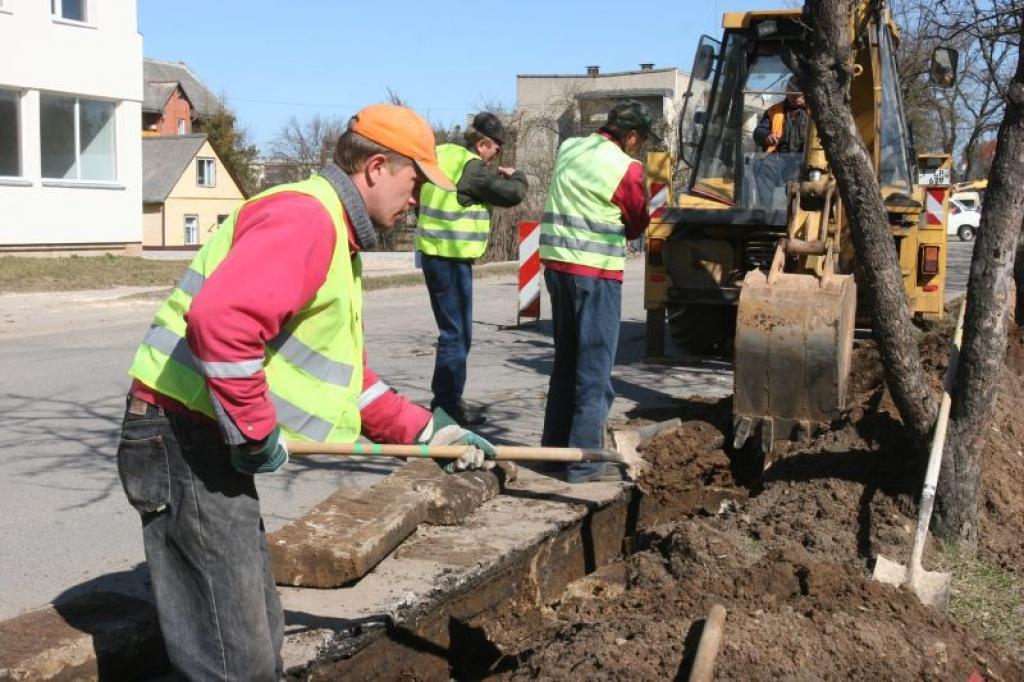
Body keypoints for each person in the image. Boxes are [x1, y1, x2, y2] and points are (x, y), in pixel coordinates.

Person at [116, 104, 497, 681]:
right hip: (180, 437)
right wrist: (256, 429)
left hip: (203, 436)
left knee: (254, 636)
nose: (417, 199)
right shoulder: (306, 219)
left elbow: (348, 383)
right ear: (376, 167)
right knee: (234, 659)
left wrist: (430, 434)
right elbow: (221, 321)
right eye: (414, 181)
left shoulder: (335, 235)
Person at [538, 100, 652, 483]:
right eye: (639, 141)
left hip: (557, 269)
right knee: (594, 372)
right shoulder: (625, 167)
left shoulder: (570, 147)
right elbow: (636, 222)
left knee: (565, 366)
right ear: (631, 136)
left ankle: (553, 453)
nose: (638, 148)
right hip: (596, 274)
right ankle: (584, 465)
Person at [416, 112, 527, 426]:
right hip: (450, 257)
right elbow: (512, 195)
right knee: (457, 335)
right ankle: (447, 407)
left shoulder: (439, 154)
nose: (496, 156)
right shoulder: (472, 167)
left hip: (434, 253)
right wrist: (517, 176)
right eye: (496, 149)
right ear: (483, 144)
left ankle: (447, 401)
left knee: (453, 333)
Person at [751, 76, 808, 208]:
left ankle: (794, 213)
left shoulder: (814, 112)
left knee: (797, 182)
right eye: (792, 92)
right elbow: (758, 131)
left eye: (799, 94)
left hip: (801, 159)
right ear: (787, 90)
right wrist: (766, 135)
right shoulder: (774, 111)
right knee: (763, 167)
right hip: (777, 157)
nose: (796, 96)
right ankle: (766, 211)